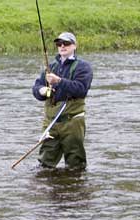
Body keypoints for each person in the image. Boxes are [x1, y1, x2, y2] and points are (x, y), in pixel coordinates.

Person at [32, 32, 94, 170]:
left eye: (66, 43)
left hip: (72, 122)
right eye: (59, 44)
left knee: (75, 165)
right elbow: (36, 87)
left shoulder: (83, 67)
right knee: (44, 165)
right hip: (51, 123)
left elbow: (81, 89)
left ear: (74, 46)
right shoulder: (51, 67)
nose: (62, 46)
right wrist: (42, 91)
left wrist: (59, 81)